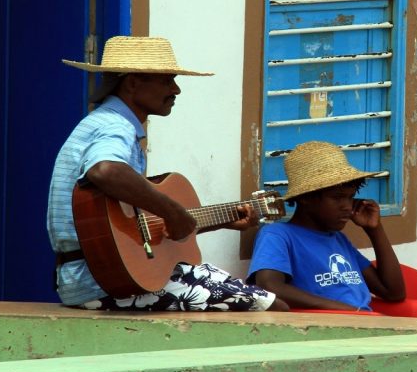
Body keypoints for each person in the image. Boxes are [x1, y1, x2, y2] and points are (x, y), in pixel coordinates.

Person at [47, 35, 288, 312]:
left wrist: (218, 219)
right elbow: (106, 170)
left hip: (99, 278)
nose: (176, 90)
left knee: (256, 296)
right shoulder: (115, 126)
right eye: (167, 80)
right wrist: (173, 212)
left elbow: (136, 229)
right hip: (104, 284)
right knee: (271, 306)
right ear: (133, 83)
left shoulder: (107, 123)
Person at [248, 141, 406, 312]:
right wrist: (349, 311)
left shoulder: (338, 239)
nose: (347, 206)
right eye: (337, 198)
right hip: (324, 328)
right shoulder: (278, 235)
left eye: (350, 197)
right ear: (305, 198)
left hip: (362, 323)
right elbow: (269, 286)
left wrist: (375, 230)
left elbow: (393, 293)